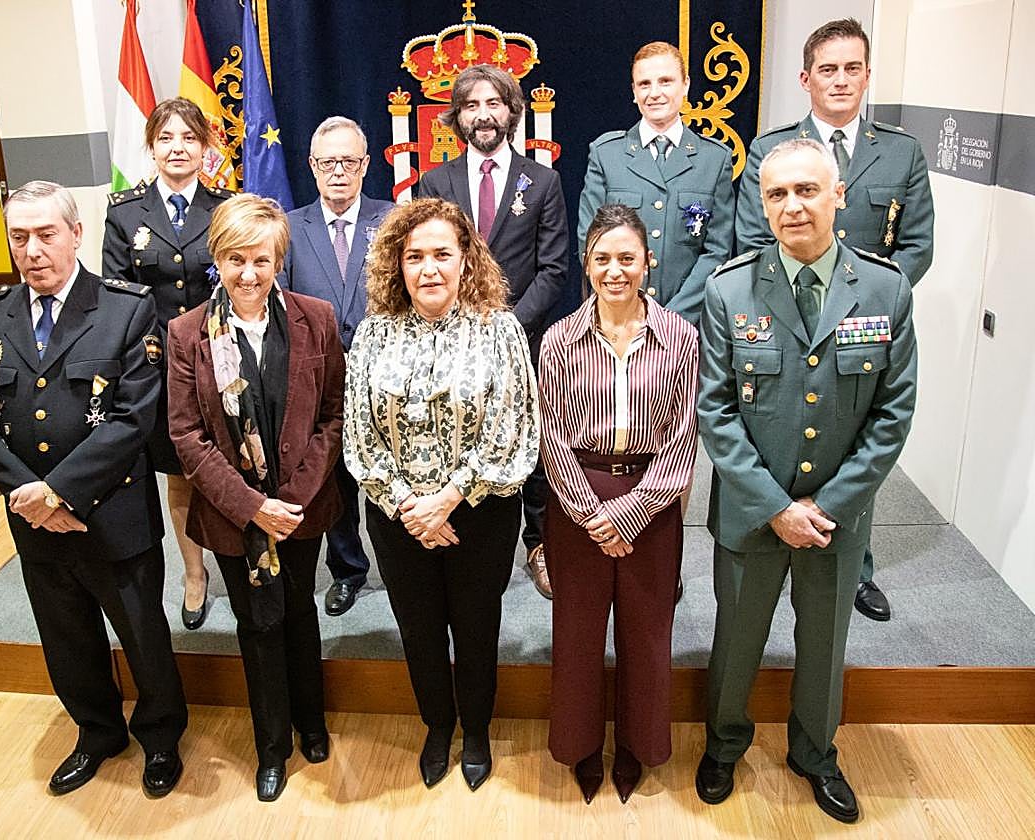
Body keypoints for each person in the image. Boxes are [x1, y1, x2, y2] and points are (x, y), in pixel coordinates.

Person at [696, 139, 917, 824]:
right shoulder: (728, 287)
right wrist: (774, 506)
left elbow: (893, 411)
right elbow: (715, 409)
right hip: (751, 513)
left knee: (824, 646)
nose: (792, 206)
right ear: (761, 204)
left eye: (807, 190)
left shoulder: (884, 288)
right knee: (736, 641)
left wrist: (827, 504)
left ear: (838, 194)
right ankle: (725, 745)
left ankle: (816, 754)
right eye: (777, 194)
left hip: (836, 517)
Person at [0, 180, 187, 798]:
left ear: (77, 234)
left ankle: (161, 739)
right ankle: (97, 732)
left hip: (112, 514)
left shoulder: (125, 308)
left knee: (142, 633)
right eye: (19, 236)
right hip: (33, 519)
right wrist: (29, 493)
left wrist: (59, 491)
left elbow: (134, 416)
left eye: (46, 234)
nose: (32, 250)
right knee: (66, 635)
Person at [735, 18, 934, 623]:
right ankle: (773, 551)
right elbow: (750, 239)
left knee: (852, 445)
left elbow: (916, 246)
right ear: (806, 78)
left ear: (868, 74)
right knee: (787, 439)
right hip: (781, 322)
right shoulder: (772, 149)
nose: (841, 80)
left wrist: (868, 302)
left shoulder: (901, 152)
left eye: (853, 68)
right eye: (828, 68)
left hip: (861, 330)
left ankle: (855, 570)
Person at [344, 197, 539, 791]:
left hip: (479, 511)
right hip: (398, 516)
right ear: (396, 266)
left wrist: (450, 496)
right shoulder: (374, 334)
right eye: (414, 256)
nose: (428, 269)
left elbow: (518, 426)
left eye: (442, 255)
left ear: (467, 262)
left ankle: (476, 729)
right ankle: (437, 724)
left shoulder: (500, 329)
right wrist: (411, 504)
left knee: (477, 624)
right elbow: (357, 434)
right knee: (419, 627)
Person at [166, 194, 345, 803]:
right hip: (232, 515)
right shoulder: (187, 333)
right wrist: (252, 507)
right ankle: (271, 746)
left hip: (300, 509)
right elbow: (186, 435)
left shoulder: (316, 318)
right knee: (257, 624)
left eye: (261, 260)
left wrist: (288, 502)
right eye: (235, 259)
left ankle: (311, 723)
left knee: (300, 611)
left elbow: (331, 417)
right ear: (216, 258)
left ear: (279, 261)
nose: (248, 274)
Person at [540, 204, 698, 804]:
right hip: (576, 500)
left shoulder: (680, 337)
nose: (615, 270)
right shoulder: (559, 339)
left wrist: (630, 511)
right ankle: (580, 747)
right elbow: (549, 434)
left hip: (653, 506)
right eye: (602, 259)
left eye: (627, 258)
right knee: (577, 634)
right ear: (586, 266)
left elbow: (686, 433)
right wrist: (592, 513)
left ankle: (637, 747)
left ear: (647, 263)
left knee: (646, 633)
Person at [414, 64, 568, 600]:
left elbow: (554, 270)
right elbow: (426, 266)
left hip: (522, 339)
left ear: (511, 111)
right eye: (472, 105)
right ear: (457, 117)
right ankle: (476, 536)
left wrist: (507, 325)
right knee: (464, 438)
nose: (483, 115)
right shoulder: (435, 183)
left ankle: (539, 543)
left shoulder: (542, 181)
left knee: (535, 444)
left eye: (494, 103)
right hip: (450, 341)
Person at [104, 96, 233, 630]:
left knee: (233, 465)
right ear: (151, 147)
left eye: (188, 138)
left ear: (205, 147)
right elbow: (120, 293)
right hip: (158, 367)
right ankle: (195, 574)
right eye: (166, 138)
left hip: (222, 362)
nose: (177, 148)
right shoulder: (124, 211)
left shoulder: (226, 206)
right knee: (181, 475)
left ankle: (245, 561)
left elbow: (239, 279)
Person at [280, 116, 392, 617]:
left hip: (385, 379)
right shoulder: (290, 226)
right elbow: (278, 302)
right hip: (319, 381)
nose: (339, 173)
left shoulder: (391, 221)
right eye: (329, 163)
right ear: (312, 167)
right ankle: (348, 570)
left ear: (366, 165)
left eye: (349, 162)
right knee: (334, 483)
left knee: (389, 475)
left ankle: (399, 565)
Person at [578, 41, 734, 326]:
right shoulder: (606, 154)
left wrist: (671, 320)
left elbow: (717, 252)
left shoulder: (715, 160)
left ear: (685, 85)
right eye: (644, 84)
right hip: (618, 321)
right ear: (634, 92)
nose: (655, 93)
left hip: (689, 325)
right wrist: (629, 310)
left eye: (665, 81)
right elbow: (589, 242)